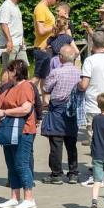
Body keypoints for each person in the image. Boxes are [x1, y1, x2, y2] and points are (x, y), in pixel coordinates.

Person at [0, 60, 38, 208]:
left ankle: (29, 198)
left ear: (16, 72)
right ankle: (14, 197)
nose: (7, 73)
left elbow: (26, 109)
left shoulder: (25, 87)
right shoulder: (10, 87)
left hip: (23, 131)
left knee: (21, 164)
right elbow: (0, 105)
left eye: (9, 70)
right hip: (8, 129)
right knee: (11, 164)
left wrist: (5, 112)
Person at [40, 44, 82, 184]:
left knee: (56, 142)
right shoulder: (79, 72)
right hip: (73, 108)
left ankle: (56, 174)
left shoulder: (56, 72)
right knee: (71, 142)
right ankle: (73, 173)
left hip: (58, 107)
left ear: (61, 57)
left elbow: (46, 87)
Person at [0, 0, 28, 66]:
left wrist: (22, 40)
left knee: (24, 67)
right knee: (8, 68)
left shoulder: (15, 6)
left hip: (19, 44)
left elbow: (17, 25)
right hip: (10, 44)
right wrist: (9, 41)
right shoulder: (6, 6)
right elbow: (4, 24)